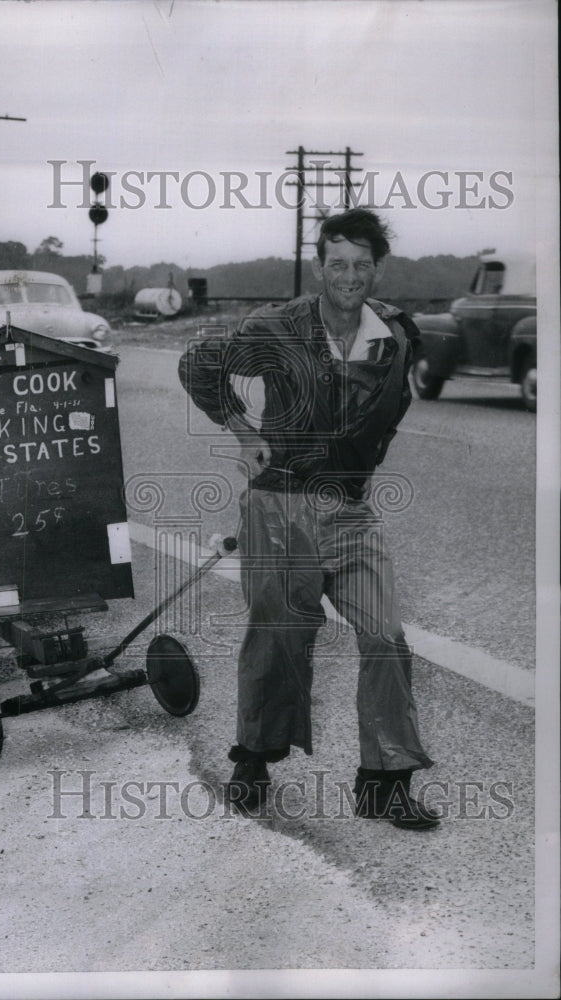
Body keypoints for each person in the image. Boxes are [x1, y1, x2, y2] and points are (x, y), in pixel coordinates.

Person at [178, 208, 440, 830]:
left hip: (349, 511)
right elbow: (198, 365)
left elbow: (388, 411)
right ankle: (254, 760)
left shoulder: (397, 335)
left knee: (385, 636)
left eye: (361, 265)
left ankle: (385, 780)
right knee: (279, 635)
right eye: (337, 264)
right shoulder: (277, 325)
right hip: (279, 506)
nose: (349, 276)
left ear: (377, 268)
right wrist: (242, 432)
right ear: (320, 266)